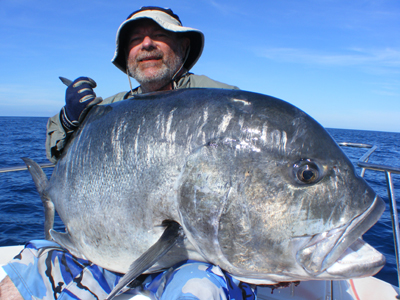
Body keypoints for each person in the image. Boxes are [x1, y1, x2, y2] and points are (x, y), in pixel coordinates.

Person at [0, 6, 257, 300]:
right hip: (107, 250)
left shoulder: (222, 103)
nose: (147, 44)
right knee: (23, 275)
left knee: (200, 290)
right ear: (126, 56)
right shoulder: (108, 108)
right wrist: (69, 119)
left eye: (159, 35)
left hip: (190, 262)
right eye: (136, 39)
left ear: (183, 46)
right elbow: (59, 153)